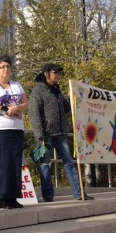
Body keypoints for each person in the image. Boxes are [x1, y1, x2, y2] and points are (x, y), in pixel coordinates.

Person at [29, 63, 93, 202]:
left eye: (58, 73)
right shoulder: (38, 91)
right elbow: (34, 114)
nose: (58, 75)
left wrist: (71, 95)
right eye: (55, 72)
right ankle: (48, 196)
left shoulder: (57, 90)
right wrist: (39, 135)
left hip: (60, 133)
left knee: (69, 162)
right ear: (47, 74)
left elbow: (65, 108)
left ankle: (79, 193)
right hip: (45, 134)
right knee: (45, 164)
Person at [0, 54, 28, 209]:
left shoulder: (17, 85)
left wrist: (17, 109)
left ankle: (13, 197)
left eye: (8, 66)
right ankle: (2, 196)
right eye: (2, 67)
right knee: (2, 162)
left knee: (15, 163)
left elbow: (25, 103)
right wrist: (9, 111)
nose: (6, 69)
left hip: (16, 129)